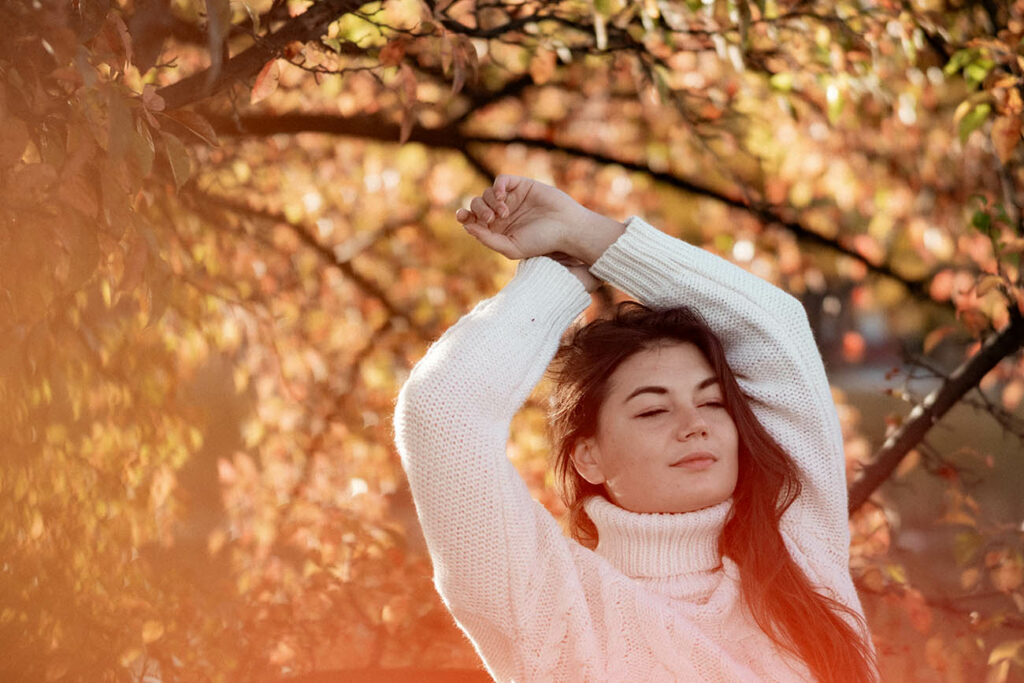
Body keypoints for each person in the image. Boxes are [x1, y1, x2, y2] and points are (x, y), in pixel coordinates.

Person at [392, 174, 878, 682]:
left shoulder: (796, 552)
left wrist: (582, 233)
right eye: (653, 410)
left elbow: (776, 330)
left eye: (712, 402)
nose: (695, 425)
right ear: (588, 457)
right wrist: (557, 279)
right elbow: (442, 410)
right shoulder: (552, 605)